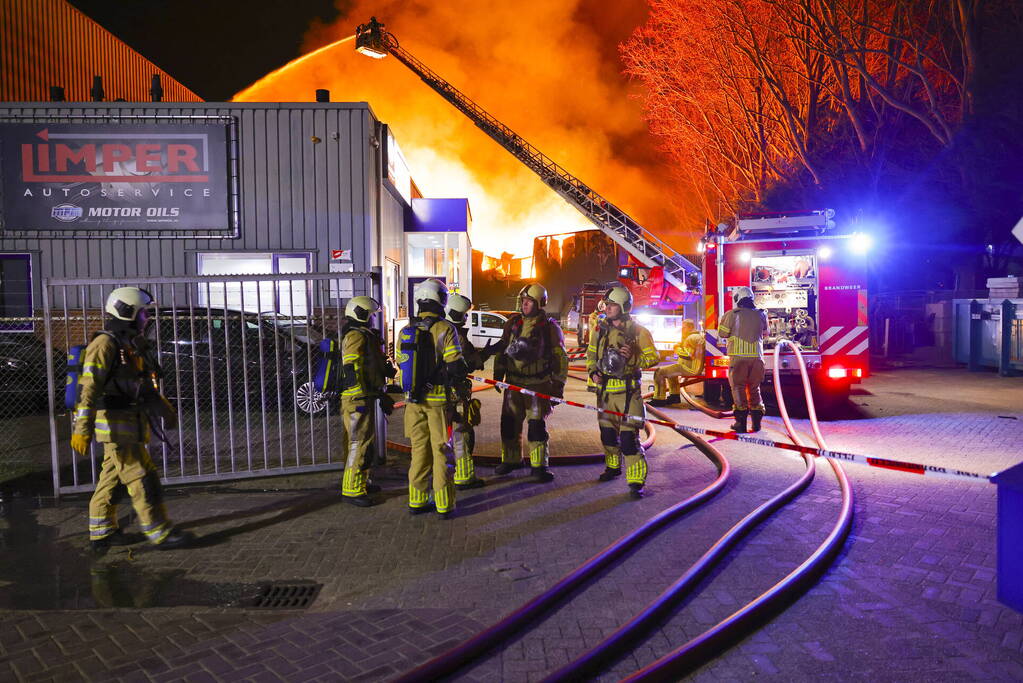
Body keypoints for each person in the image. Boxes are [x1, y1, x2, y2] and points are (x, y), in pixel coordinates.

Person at [71, 287, 193, 555]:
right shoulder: (104, 345)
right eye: (143, 312)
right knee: (142, 478)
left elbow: (143, 388)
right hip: (115, 428)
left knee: (111, 479)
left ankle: (101, 531)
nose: (147, 317)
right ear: (127, 312)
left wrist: (166, 411)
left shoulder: (129, 344)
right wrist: (82, 430)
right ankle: (158, 531)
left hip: (130, 424)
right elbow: (88, 388)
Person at [401, 279, 466, 519]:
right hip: (438, 402)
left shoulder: (406, 330)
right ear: (441, 299)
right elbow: (455, 366)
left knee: (418, 450)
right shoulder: (446, 328)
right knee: (441, 451)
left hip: (413, 402)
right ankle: (444, 502)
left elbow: (403, 364)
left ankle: (417, 500)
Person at [587, 286, 660, 497]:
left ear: (623, 308)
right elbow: (591, 356)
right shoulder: (599, 330)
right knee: (608, 436)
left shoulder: (639, 332)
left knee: (629, 440)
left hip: (629, 394)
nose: (607, 308)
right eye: (607, 305)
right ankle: (612, 467)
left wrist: (634, 358)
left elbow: (653, 358)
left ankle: (636, 481)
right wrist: (593, 372)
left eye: (612, 305)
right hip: (605, 394)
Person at [492, 283, 568, 482]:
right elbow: (502, 348)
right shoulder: (512, 324)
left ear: (540, 303)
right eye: (523, 301)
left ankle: (538, 466)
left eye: (529, 302)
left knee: (536, 427)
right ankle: (511, 460)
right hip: (514, 383)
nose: (524, 305)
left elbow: (560, 357)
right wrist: (498, 374)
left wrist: (558, 386)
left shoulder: (550, 327)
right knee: (509, 424)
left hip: (538, 384)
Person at [338, 295, 395, 507]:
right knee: (358, 443)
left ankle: (360, 480)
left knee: (360, 442)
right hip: (357, 398)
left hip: (364, 395)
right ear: (360, 314)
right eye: (370, 316)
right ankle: (352, 489)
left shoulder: (361, 334)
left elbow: (369, 368)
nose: (372, 320)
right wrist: (360, 395)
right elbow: (351, 367)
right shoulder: (355, 336)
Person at [445, 293, 487, 490]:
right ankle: (464, 476)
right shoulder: (457, 336)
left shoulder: (439, 331)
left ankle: (445, 472)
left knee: (447, 434)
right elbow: (468, 364)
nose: (467, 318)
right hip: (455, 394)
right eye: (464, 314)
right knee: (463, 433)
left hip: (442, 394)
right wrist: (488, 352)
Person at [718, 286, 769, 433]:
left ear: (737, 299)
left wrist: (721, 321)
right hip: (757, 358)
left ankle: (741, 424)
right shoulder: (761, 314)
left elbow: (723, 333)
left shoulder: (732, 314)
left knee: (738, 388)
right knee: (754, 388)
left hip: (739, 357)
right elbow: (766, 333)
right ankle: (757, 424)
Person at [650, 319, 705, 407]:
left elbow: (688, 355)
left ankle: (659, 399)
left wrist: (676, 349)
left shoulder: (691, 338)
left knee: (659, 372)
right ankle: (674, 397)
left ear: (690, 327)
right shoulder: (697, 337)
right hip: (692, 367)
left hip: (688, 368)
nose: (682, 330)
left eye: (684, 327)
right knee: (671, 374)